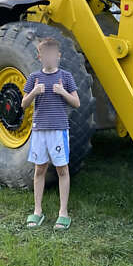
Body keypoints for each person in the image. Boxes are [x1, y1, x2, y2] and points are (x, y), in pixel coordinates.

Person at [21, 37, 80, 230]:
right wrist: (34, 93)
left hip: (58, 130)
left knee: (62, 170)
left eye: (52, 54)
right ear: (40, 56)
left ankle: (63, 213)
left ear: (58, 56)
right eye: (45, 54)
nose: (49, 58)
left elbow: (76, 103)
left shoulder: (66, 77)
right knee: (39, 170)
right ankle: (37, 211)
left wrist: (62, 92)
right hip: (39, 130)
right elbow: (23, 104)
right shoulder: (33, 78)